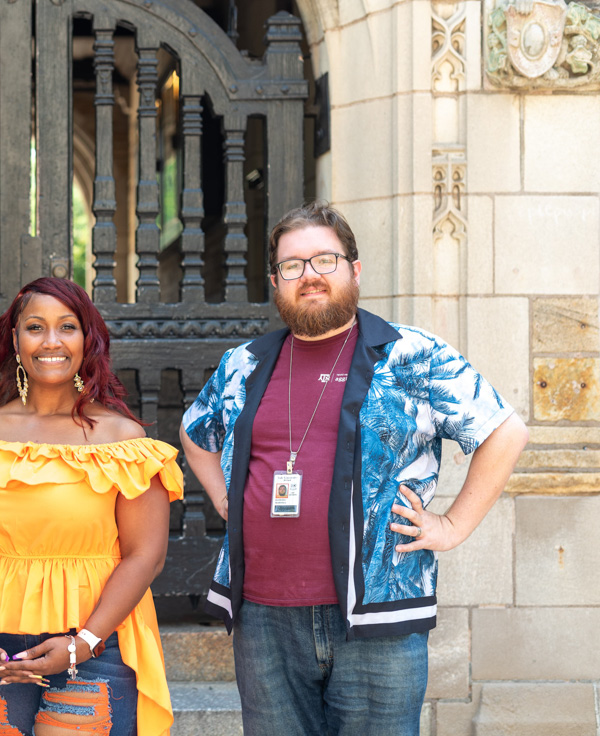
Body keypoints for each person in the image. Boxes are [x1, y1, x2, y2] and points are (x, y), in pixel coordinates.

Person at [179, 202, 529, 734]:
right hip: (263, 616)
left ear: (354, 270)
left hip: (378, 617)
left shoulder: (412, 355)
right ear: (276, 282)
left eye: (325, 259)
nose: (310, 275)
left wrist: (453, 525)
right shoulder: (245, 362)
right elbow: (194, 432)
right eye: (292, 266)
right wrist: (229, 497)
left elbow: (505, 431)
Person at [0, 277, 183, 736]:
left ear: (88, 341)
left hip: (92, 647)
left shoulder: (123, 441)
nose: (51, 342)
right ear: (15, 340)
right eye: (35, 327)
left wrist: (82, 643)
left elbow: (147, 555)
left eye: (67, 327)